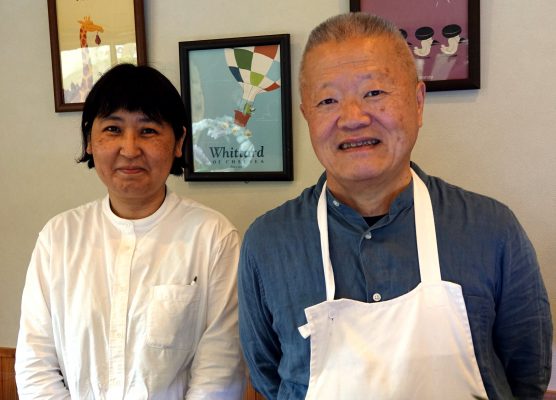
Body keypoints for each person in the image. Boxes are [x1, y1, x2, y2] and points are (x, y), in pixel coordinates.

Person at [238, 12, 552, 400]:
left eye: (374, 93)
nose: (353, 118)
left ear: (418, 103)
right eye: (327, 100)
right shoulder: (267, 243)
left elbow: (527, 376)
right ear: (307, 115)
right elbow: (268, 378)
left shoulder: (492, 230)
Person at [16, 64, 244, 399]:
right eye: (112, 129)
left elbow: (219, 372)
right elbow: (35, 363)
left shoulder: (213, 237)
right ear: (90, 141)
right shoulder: (58, 237)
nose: (130, 148)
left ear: (179, 141)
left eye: (149, 131)